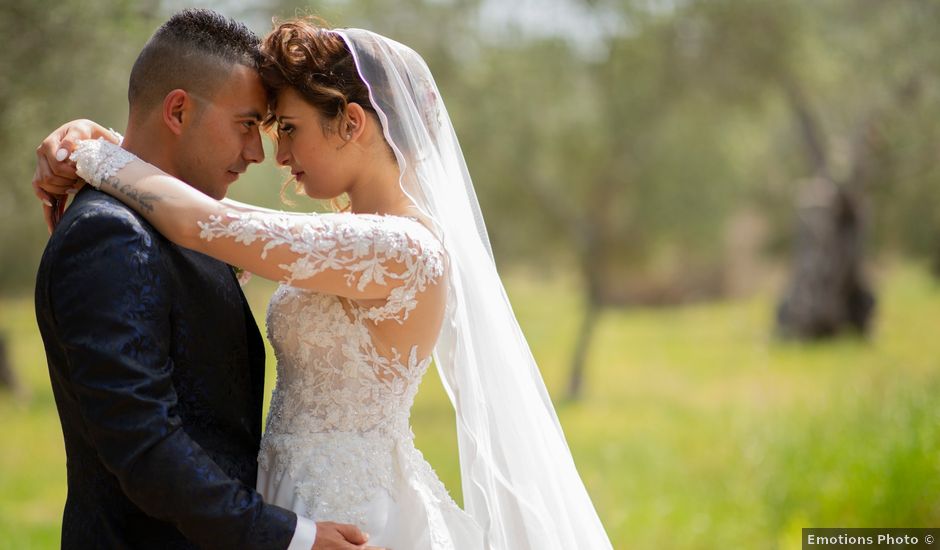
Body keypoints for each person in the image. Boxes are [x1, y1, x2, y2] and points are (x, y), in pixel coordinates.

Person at [38, 18, 613, 549]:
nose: (276, 154)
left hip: (347, 510)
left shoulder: (400, 249)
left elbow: (200, 221)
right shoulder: (335, 241)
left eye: (288, 128)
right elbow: (193, 224)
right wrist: (106, 142)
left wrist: (86, 150)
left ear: (353, 122)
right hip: (283, 499)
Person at [32, 9, 378, 550]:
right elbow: (144, 446)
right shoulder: (107, 235)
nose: (258, 153)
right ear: (177, 110)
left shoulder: (197, 224)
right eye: (247, 124)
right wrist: (293, 538)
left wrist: (92, 146)